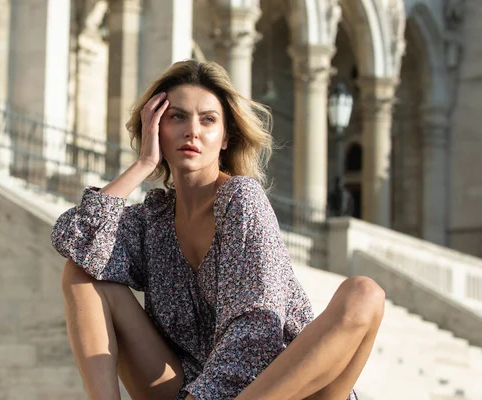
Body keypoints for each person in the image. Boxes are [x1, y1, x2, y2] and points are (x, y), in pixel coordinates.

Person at [51, 60, 385, 400]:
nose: (192, 131)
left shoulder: (242, 200)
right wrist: (142, 164)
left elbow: (258, 328)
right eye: (176, 116)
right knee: (80, 272)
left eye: (208, 119)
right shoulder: (152, 220)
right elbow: (72, 239)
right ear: (154, 128)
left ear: (225, 138)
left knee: (365, 293)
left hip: (277, 388)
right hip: (191, 386)